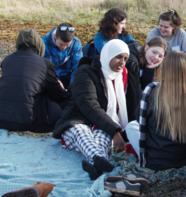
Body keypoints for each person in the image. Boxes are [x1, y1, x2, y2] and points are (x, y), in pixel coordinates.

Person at [53, 40, 130, 180]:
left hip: (101, 123)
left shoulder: (121, 76)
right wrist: (114, 130)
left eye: (125, 58)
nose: (122, 62)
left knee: (103, 134)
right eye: (118, 56)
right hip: (77, 119)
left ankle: (95, 166)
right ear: (107, 55)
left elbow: (132, 102)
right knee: (81, 131)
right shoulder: (86, 72)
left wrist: (113, 130)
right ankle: (99, 158)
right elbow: (89, 105)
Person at [126, 51, 186, 170]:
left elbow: (140, 120)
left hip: (156, 161)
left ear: (164, 68)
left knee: (131, 126)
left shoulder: (151, 92)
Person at [0, 29, 68, 133]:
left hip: (2, 120)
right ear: (39, 44)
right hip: (29, 123)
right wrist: (64, 90)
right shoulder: (45, 63)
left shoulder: (7, 60)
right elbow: (58, 95)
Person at [94, 8, 140, 122]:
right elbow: (106, 54)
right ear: (114, 23)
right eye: (122, 23)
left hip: (126, 67)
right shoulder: (100, 37)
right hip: (107, 70)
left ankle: (133, 110)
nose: (124, 27)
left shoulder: (124, 35)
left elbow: (136, 49)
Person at [146, 9, 186, 77]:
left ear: (174, 26)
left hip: (178, 66)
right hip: (160, 65)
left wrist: (181, 65)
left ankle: (183, 79)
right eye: (160, 25)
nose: (162, 29)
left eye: (166, 27)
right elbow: (147, 51)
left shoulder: (181, 34)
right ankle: (184, 80)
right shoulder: (154, 32)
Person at [42, 22, 83, 88]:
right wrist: (55, 82)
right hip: (49, 79)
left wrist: (72, 87)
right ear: (55, 36)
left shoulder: (76, 43)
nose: (63, 47)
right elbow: (42, 69)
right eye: (61, 44)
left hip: (68, 78)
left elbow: (77, 67)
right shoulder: (43, 44)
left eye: (67, 45)